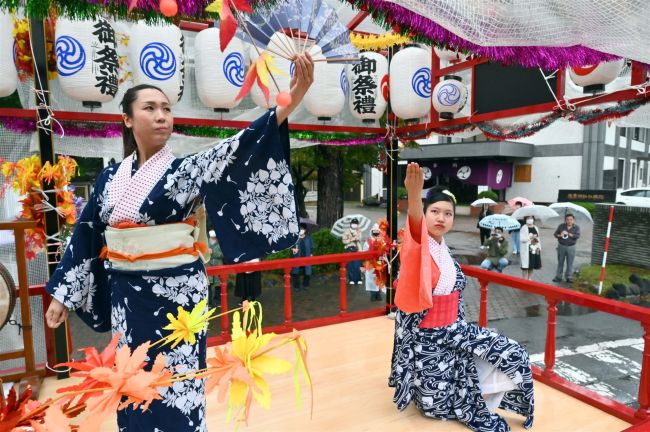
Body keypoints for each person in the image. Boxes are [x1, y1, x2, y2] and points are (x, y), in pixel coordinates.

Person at [43, 53, 314, 431]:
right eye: (150, 108)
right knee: (133, 379)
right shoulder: (109, 179)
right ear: (127, 119)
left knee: (179, 384)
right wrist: (61, 295)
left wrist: (295, 96)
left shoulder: (183, 170)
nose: (161, 116)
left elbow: (238, 147)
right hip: (127, 296)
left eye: (167, 109)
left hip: (178, 297)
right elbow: (87, 235)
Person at [389, 164, 534, 432]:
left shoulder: (444, 250)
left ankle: (488, 398)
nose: (441, 218)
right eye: (434, 211)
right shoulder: (417, 244)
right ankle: (464, 395)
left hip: (453, 330)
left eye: (448, 213)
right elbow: (415, 226)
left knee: (512, 353)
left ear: (454, 219)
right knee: (435, 408)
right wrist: (413, 197)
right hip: (428, 340)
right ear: (425, 213)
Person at [362, 223, 388, 301]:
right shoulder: (368, 242)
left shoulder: (382, 241)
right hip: (371, 263)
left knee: (379, 277)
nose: (376, 234)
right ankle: (373, 294)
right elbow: (364, 252)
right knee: (371, 279)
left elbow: (385, 251)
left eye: (377, 232)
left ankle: (378, 293)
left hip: (380, 262)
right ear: (372, 232)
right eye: (374, 232)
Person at [553, 213, 581, 283]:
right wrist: (560, 235)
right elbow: (555, 234)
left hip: (571, 247)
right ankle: (558, 277)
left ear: (573, 220)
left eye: (571, 219)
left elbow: (577, 236)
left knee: (570, 263)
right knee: (560, 262)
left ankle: (568, 277)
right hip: (561, 246)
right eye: (567, 219)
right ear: (565, 220)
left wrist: (569, 234)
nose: (569, 221)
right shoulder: (561, 226)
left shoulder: (576, 227)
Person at [291, 223, 313, 292]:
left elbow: (312, 247)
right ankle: (296, 286)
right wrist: (293, 250)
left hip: (306, 257)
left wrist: (312, 253)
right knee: (295, 272)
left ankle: (306, 285)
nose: (301, 230)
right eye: (299, 229)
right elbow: (291, 248)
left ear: (305, 230)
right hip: (297, 258)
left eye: (302, 229)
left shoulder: (308, 238)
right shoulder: (295, 239)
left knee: (307, 272)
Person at [342, 217, 363, 285]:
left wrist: (357, 237)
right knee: (350, 265)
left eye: (356, 224)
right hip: (349, 249)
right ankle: (351, 279)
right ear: (351, 224)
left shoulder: (359, 231)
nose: (354, 225)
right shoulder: (346, 231)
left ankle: (358, 278)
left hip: (357, 249)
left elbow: (360, 239)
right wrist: (351, 239)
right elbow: (344, 241)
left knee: (357, 265)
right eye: (353, 223)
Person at [207, 229, 223, 308]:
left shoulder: (221, 243)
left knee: (218, 285)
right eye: (212, 237)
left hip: (218, 265)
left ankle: (218, 301)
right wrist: (206, 251)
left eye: (215, 237)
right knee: (208, 284)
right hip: (208, 265)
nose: (214, 238)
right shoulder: (205, 242)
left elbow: (223, 254)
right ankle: (209, 303)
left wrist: (213, 252)